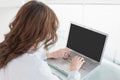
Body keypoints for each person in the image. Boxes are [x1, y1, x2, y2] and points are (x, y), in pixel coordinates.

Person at [0, 1, 85, 80]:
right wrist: (74, 70)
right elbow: (30, 64)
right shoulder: (37, 68)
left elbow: (24, 57)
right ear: (41, 32)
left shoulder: (4, 47)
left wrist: (49, 55)